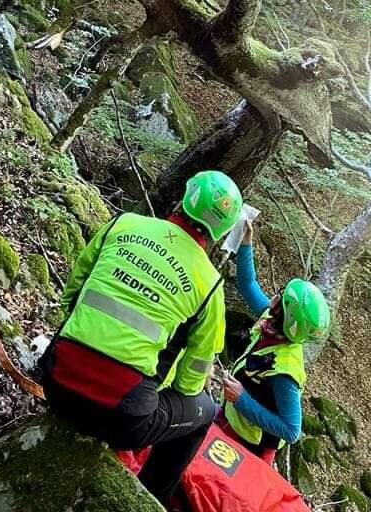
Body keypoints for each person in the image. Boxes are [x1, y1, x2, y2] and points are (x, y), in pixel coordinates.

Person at [40, 170, 243, 508]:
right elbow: (192, 378)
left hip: (56, 380)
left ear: (185, 198)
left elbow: (72, 294)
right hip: (119, 419)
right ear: (222, 232)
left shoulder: (124, 224)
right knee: (205, 410)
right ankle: (150, 498)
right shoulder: (210, 285)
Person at [219, 220, 330, 464]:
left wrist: (241, 400)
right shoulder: (270, 321)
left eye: (281, 296)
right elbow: (247, 284)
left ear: (286, 315)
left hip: (249, 446)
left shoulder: (285, 372)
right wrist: (247, 241)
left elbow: (291, 430)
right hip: (231, 421)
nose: (276, 295)